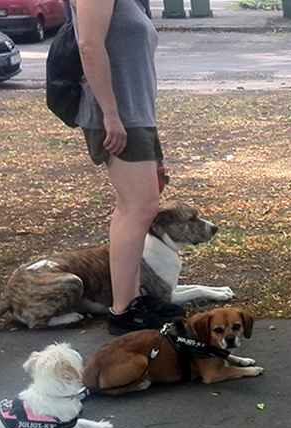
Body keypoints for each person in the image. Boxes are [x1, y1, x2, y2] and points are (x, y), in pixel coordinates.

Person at [73, 0, 182, 335]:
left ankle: (130, 301)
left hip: (135, 115)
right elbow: (89, 47)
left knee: (130, 208)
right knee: (141, 207)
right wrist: (110, 113)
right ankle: (123, 312)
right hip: (119, 117)